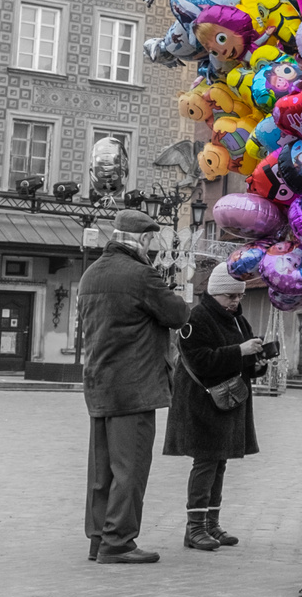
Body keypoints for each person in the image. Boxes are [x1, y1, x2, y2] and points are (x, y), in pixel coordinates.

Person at [78, 209, 190, 565]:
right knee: (130, 468)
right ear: (141, 240)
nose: (151, 249)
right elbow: (177, 314)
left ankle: (99, 538)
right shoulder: (141, 275)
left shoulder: (91, 274)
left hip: (99, 382)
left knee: (102, 469)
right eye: (150, 242)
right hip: (135, 385)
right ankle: (119, 540)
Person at [163, 264, 268, 552]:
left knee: (219, 460)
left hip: (228, 400)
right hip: (201, 402)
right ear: (215, 293)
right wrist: (240, 352)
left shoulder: (237, 320)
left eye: (238, 296)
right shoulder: (197, 318)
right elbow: (200, 360)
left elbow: (240, 359)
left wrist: (257, 362)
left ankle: (211, 523)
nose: (236, 301)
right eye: (230, 296)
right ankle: (194, 528)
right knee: (206, 460)